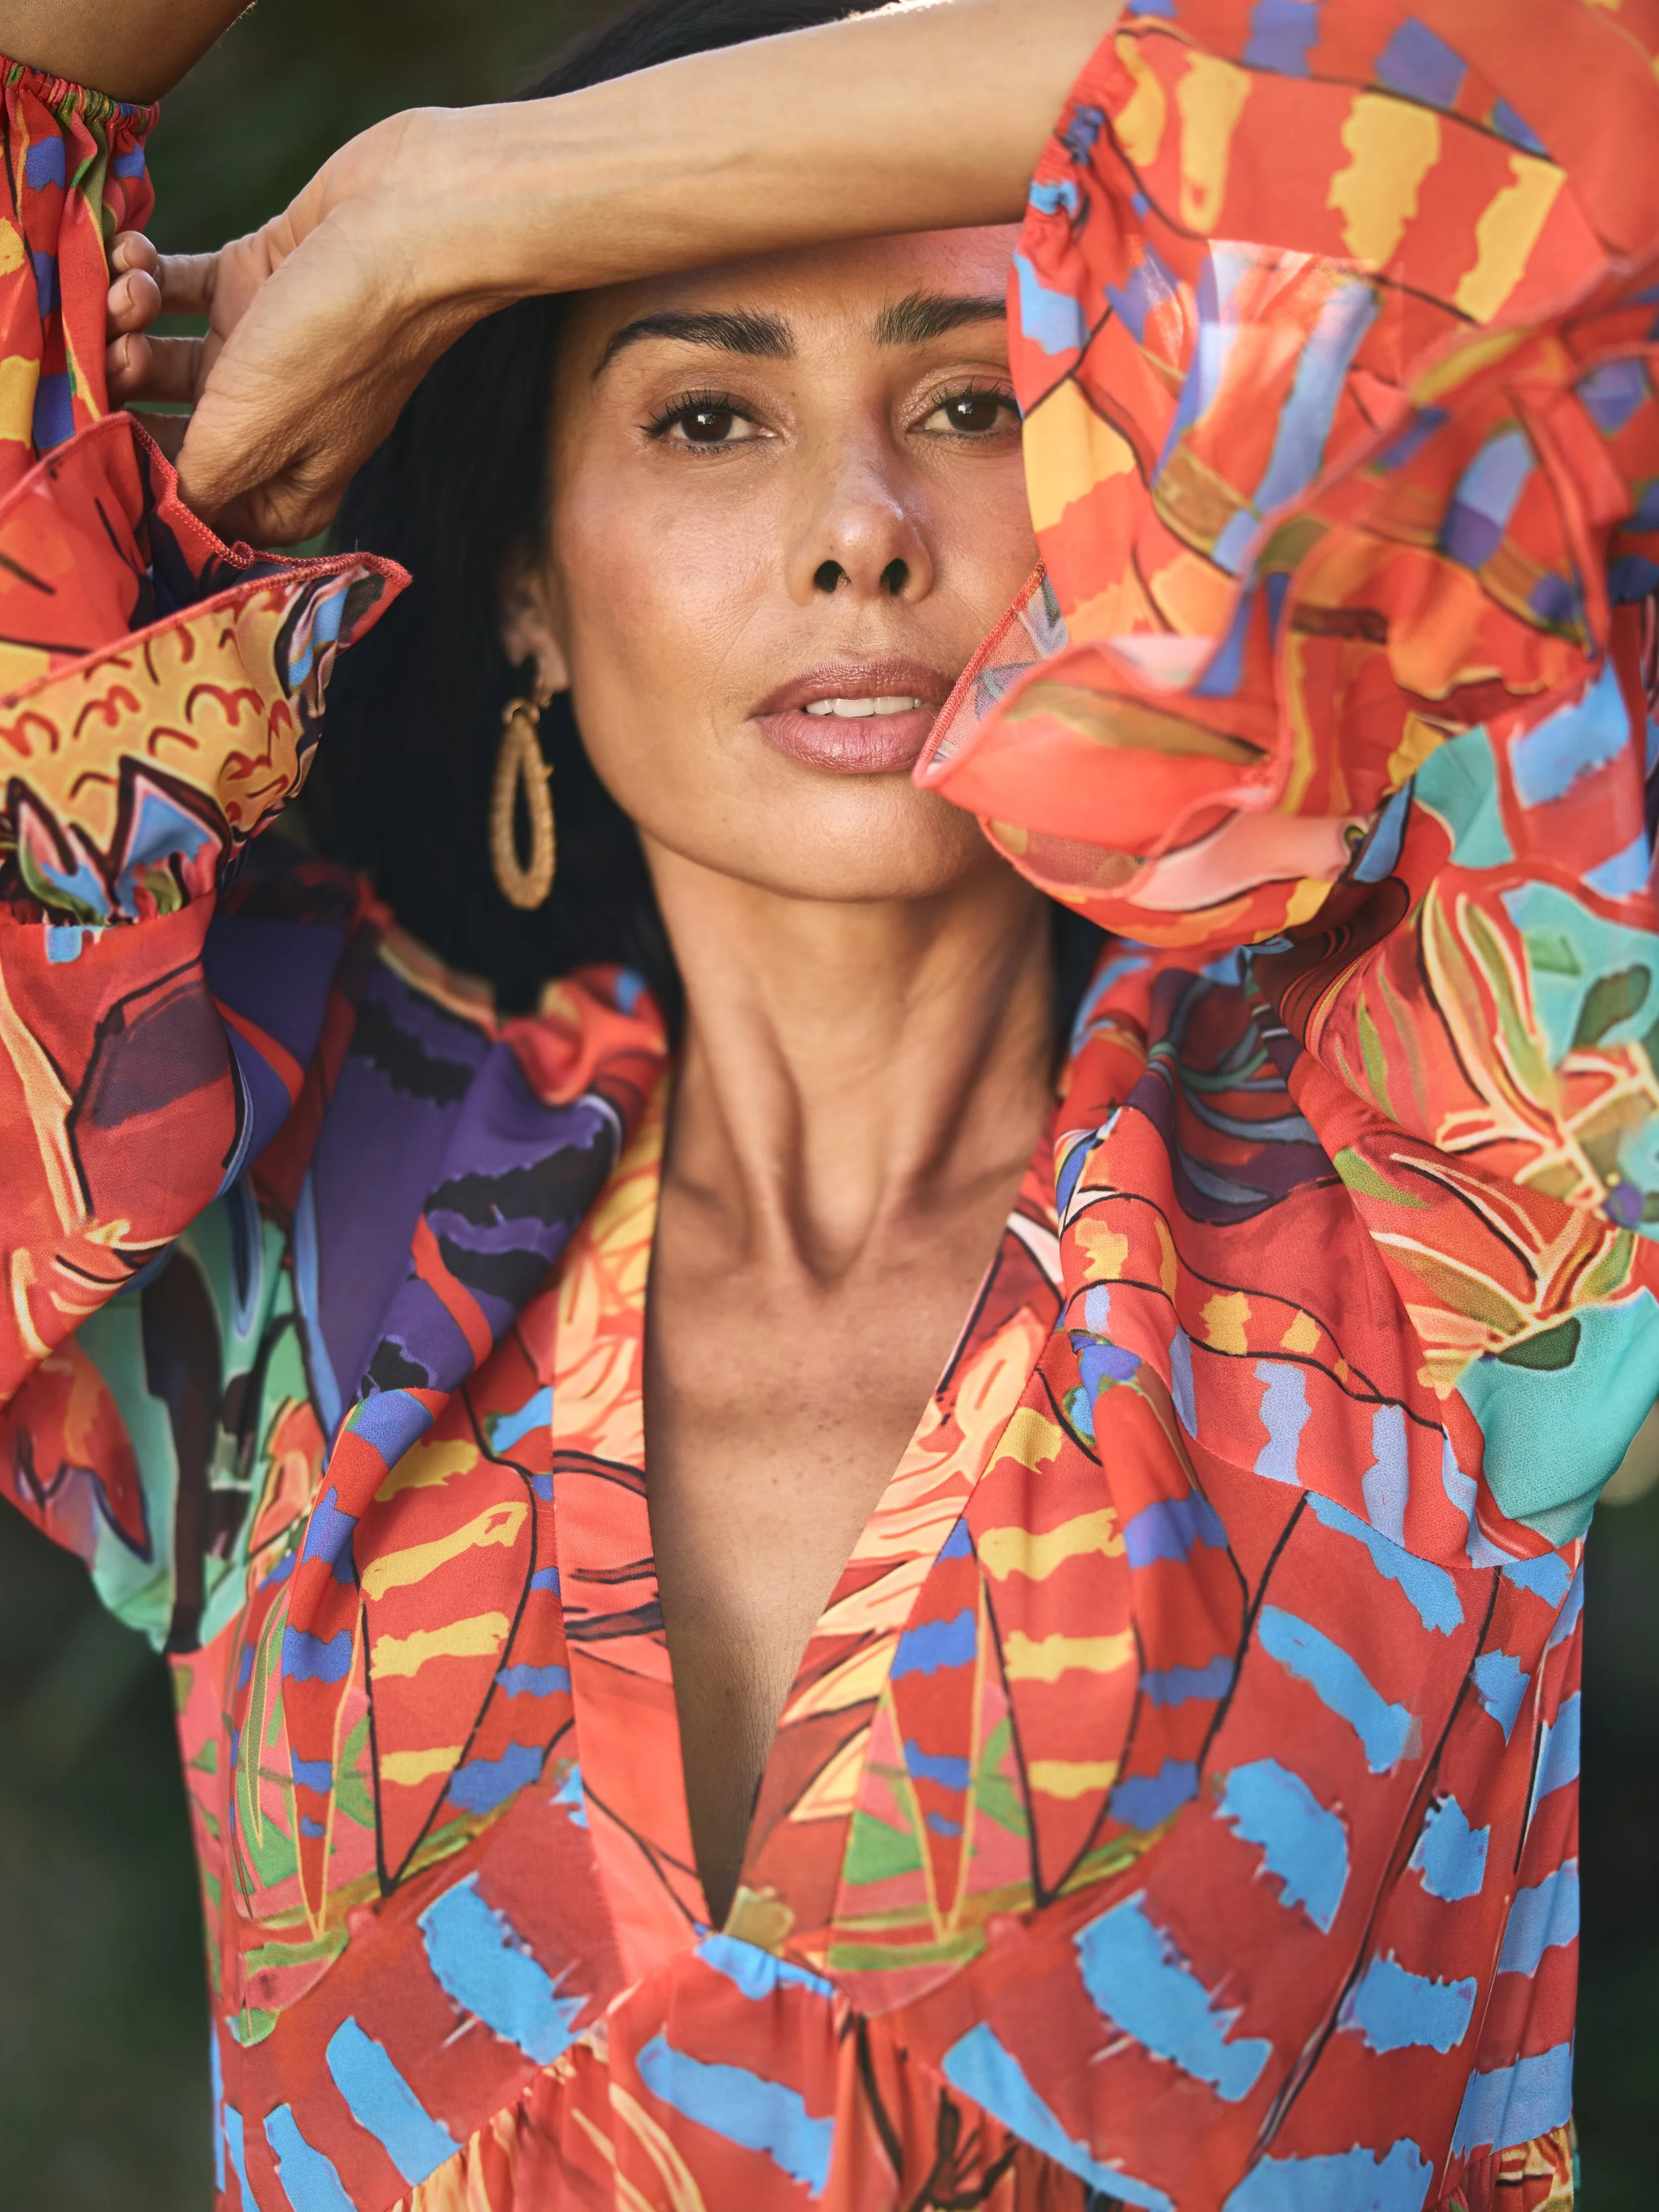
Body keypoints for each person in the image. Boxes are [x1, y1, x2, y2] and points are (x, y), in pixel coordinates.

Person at [1, 0, 1654, 2204]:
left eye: (970, 401)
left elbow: (1557, 144)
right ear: (530, 592)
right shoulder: (278, 1254)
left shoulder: (1441, 1200)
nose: (857, 529)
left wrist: (472, 201)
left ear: (1108, 519)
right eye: (704, 415)